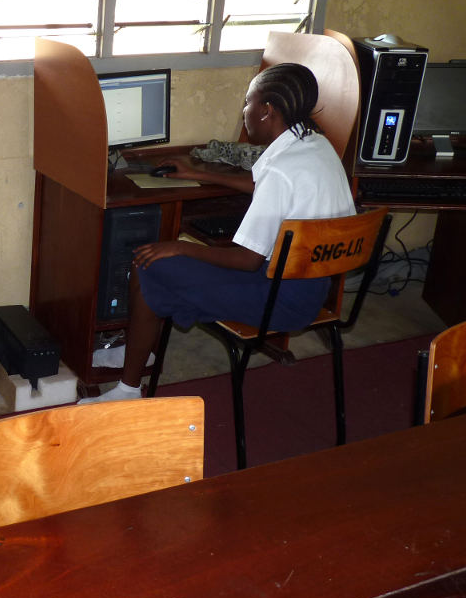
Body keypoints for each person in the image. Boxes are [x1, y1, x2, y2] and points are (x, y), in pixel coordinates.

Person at [81, 63, 356, 403]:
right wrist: (200, 173)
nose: (245, 112)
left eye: (248, 102)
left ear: (267, 110)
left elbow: (246, 260)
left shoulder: (283, 169)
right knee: (172, 263)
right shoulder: (316, 145)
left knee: (148, 263)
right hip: (314, 288)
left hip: (278, 301)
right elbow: (261, 184)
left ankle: (128, 388)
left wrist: (180, 247)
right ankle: (139, 351)